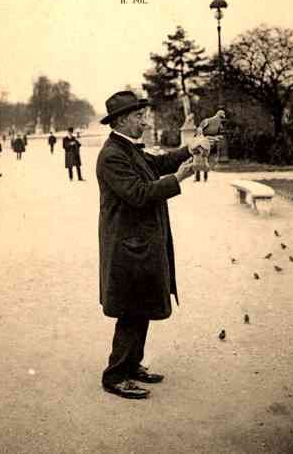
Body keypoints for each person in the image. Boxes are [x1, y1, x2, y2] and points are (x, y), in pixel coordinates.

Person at [96, 90, 219, 400]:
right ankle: (115, 375)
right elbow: (138, 193)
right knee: (131, 309)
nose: (144, 119)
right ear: (122, 120)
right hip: (127, 246)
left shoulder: (128, 149)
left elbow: (159, 162)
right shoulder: (112, 154)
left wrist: (188, 148)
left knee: (142, 305)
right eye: (138, 116)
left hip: (138, 243)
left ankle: (132, 364)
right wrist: (180, 177)